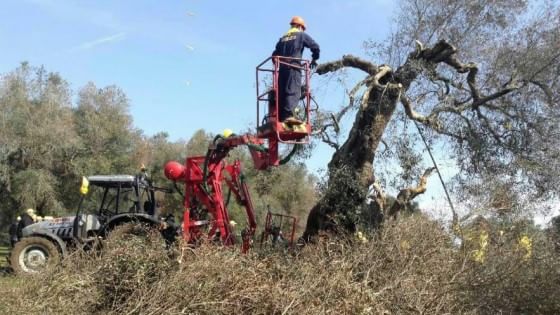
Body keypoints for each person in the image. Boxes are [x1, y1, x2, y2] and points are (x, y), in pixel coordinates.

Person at [272, 16, 320, 123]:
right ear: (299, 26)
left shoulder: (282, 39)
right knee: (293, 91)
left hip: (282, 70)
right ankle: (288, 116)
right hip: (294, 68)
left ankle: (280, 118)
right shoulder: (301, 35)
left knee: (281, 93)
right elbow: (315, 47)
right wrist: (314, 59)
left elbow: (274, 56)